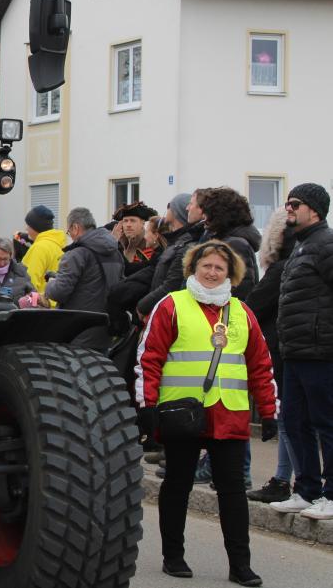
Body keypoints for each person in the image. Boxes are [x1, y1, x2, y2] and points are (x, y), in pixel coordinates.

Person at [136, 240, 277, 586]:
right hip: (181, 413)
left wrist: (269, 411)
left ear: (231, 274)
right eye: (206, 266)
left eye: (219, 268)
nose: (212, 273)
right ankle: (173, 556)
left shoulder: (242, 312)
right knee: (178, 484)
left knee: (232, 491)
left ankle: (240, 565)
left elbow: (260, 364)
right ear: (193, 269)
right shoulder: (171, 305)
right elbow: (149, 358)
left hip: (229, 414)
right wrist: (147, 405)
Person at [269, 183, 333, 520]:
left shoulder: (326, 245)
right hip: (295, 351)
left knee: (326, 423)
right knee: (294, 421)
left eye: (295, 204)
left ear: (315, 210)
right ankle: (307, 491)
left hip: (320, 351)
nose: (289, 209)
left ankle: (331, 494)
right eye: (287, 203)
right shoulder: (301, 246)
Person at [245, 207, 298, 503]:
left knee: (290, 420)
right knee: (293, 420)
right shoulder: (298, 263)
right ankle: (284, 479)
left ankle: (287, 480)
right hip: (290, 347)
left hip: (280, 348)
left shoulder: (281, 269)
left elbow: (252, 306)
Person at [40, 207, 124, 349]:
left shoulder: (77, 254)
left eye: (69, 232)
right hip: (105, 332)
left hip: (77, 332)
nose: (70, 236)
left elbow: (59, 292)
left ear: (75, 227)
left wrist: (50, 285)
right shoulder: (115, 253)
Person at [137, 193, 202, 322]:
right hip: (160, 310)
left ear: (177, 212)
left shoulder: (184, 244)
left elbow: (171, 285)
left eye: (169, 206)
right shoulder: (176, 241)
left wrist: (143, 306)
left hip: (165, 314)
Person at [20, 205, 64, 294]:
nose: (26, 229)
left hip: (39, 301)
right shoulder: (58, 245)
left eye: (28, 225)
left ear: (36, 227)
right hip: (53, 300)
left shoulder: (39, 248)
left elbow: (29, 282)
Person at [114, 201, 159, 275]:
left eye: (132, 221)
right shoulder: (118, 245)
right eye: (125, 221)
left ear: (142, 223)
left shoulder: (151, 247)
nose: (128, 225)